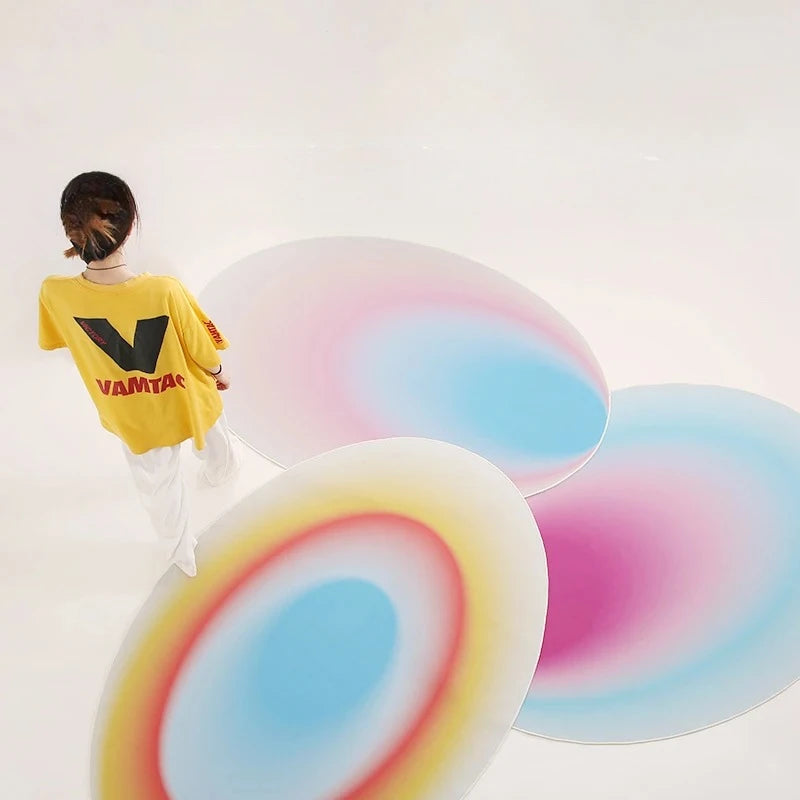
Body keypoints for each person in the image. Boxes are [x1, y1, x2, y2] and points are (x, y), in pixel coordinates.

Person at [38, 171, 240, 577]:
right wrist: (219, 372)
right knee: (214, 436)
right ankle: (222, 475)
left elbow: (61, 342)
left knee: (158, 485)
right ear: (129, 228)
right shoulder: (165, 290)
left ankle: (180, 554)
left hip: (132, 414)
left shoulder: (54, 292)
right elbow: (202, 347)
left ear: (71, 232)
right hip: (187, 398)